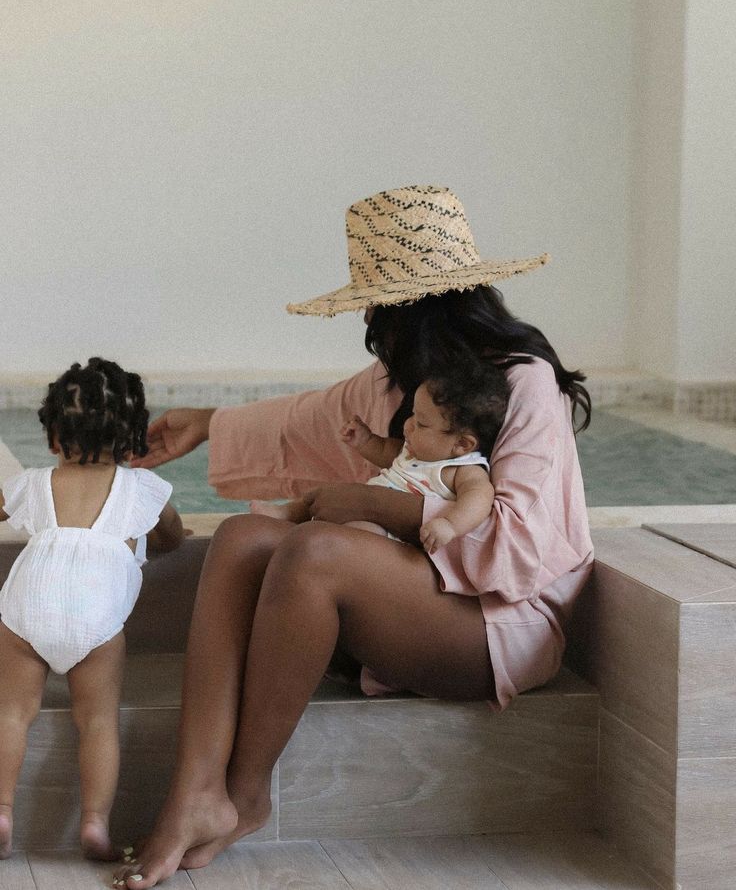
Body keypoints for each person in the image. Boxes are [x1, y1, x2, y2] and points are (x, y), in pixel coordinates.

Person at [113, 185, 594, 889]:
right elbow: (303, 420)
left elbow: (517, 547)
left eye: (374, 303)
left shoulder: (524, 387)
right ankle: (194, 792)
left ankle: (243, 794)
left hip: (500, 624)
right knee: (244, 537)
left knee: (315, 548)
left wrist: (372, 505)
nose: (366, 317)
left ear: (412, 311)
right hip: (421, 601)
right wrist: (207, 422)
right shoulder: (396, 387)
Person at [0, 358, 185, 862]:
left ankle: (1, 810)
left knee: (11, 713)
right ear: (132, 442)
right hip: (96, 619)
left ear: (53, 438)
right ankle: (94, 824)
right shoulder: (144, 491)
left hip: (27, 607)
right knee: (99, 720)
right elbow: (170, 537)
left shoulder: (33, 483)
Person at [251, 361, 509, 555]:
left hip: (390, 534)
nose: (408, 425)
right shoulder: (415, 451)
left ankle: (311, 545)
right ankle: (285, 512)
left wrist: (450, 526)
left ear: (462, 444)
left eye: (421, 423)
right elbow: (386, 452)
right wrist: (364, 441)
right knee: (322, 493)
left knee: (357, 535)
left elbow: (480, 499)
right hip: (363, 507)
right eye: (412, 415)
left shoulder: (462, 470)